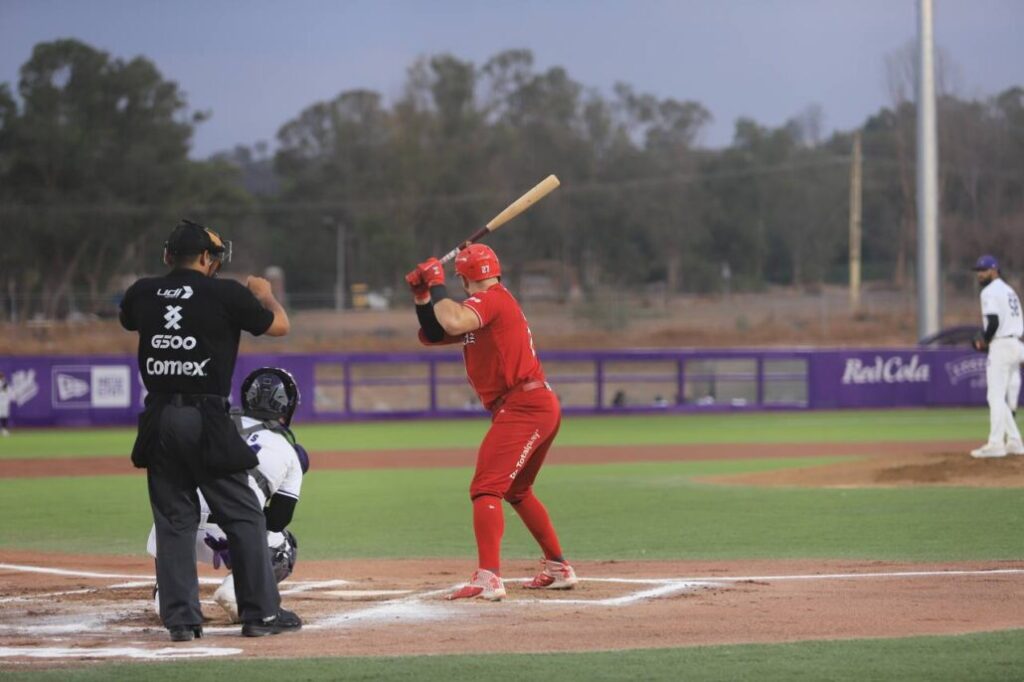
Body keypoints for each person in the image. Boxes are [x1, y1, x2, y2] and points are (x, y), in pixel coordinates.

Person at [119, 219, 301, 641]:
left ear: (168, 256)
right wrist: (266, 295)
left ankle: (181, 621)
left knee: (174, 520)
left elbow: (130, 318)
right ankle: (260, 614)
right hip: (206, 417)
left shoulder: (142, 291)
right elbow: (279, 326)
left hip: (160, 418)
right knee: (243, 514)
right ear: (206, 258)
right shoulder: (226, 293)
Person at [406, 244, 578, 600]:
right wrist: (423, 296)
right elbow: (436, 332)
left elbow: (452, 319)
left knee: (486, 487)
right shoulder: (484, 307)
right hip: (532, 403)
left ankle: (489, 576)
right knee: (517, 491)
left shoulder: (491, 300)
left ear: (466, 278)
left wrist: (437, 283)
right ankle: (558, 567)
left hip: (524, 405)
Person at [148, 367, 309, 623]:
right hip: (235, 531)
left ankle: (168, 598)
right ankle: (236, 588)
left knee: (172, 514)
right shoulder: (289, 451)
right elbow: (278, 520)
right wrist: (241, 534)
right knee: (284, 543)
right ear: (286, 407)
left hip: (178, 531)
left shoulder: (209, 423)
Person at [969, 255, 1024, 458]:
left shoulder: (990, 291)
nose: (980, 274)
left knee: (994, 396)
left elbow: (992, 321)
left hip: (1001, 345)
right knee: (999, 397)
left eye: (983, 270)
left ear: (994, 270)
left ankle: (995, 444)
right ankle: (1015, 441)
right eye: (978, 271)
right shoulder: (1009, 290)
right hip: (1016, 343)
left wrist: (984, 340)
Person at [0, 372, 11, 436]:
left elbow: (7, 391)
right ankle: (4, 430)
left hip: (4, 402)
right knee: (2, 416)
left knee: (4, 416)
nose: (2, 377)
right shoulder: (4, 383)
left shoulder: (5, 383)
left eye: (2, 376)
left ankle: (4, 430)